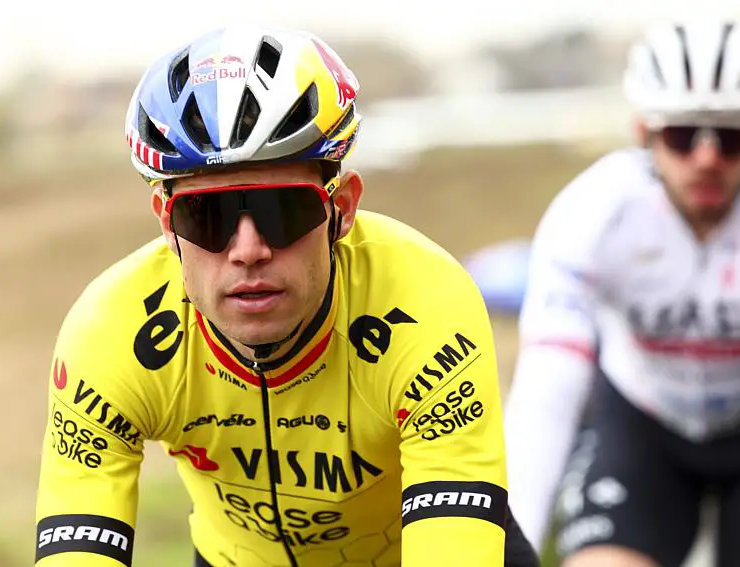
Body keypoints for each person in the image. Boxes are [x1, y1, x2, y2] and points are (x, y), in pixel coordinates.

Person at [34, 25, 539, 567]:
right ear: (166, 224)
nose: (248, 250)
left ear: (341, 208)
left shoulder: (426, 304)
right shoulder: (111, 334)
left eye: (283, 211)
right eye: (206, 217)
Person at [504, 18, 740, 567]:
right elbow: (546, 394)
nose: (706, 158)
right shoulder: (590, 214)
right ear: (644, 134)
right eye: (683, 136)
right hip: (643, 423)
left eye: (731, 138)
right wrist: (505, 551)